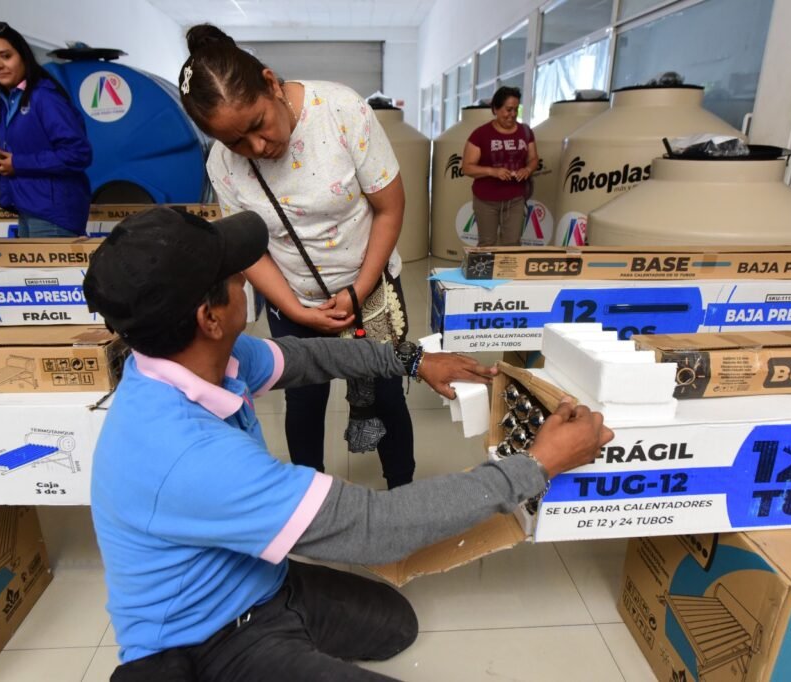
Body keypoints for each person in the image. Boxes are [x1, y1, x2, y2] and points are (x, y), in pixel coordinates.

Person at [83, 206, 613, 681]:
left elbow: (311, 357)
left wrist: (409, 360)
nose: (247, 275)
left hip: (262, 582)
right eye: (234, 274)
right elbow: (375, 528)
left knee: (394, 625)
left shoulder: (206, 356)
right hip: (199, 643)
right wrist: (537, 464)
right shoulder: (182, 452)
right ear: (209, 317)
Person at [180, 24, 417, 488]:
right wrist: (292, 310)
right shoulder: (222, 166)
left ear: (270, 83)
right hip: (294, 299)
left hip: (369, 290)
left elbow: (390, 208)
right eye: (235, 143)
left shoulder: (342, 110)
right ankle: (310, 506)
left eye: (257, 126)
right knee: (304, 401)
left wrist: (360, 287)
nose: (257, 148)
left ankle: (401, 494)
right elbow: (251, 251)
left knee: (387, 393)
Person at [0, 22, 92, 237]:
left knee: (50, 273)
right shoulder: (6, 99)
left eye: (5, 56)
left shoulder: (44, 98)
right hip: (27, 206)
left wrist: (16, 163)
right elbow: (28, 149)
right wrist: (0, 160)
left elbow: (78, 153)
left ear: (23, 56)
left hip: (52, 213)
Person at [461, 86, 539, 247]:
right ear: (495, 109)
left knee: (512, 245)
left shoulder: (525, 132)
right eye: (508, 109)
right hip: (486, 200)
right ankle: (485, 273)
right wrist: (492, 171)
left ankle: (508, 273)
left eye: (516, 110)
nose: (512, 114)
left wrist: (528, 169)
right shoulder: (481, 135)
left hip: (515, 199)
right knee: (487, 244)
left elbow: (533, 159)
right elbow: (467, 167)